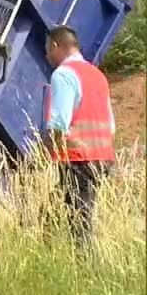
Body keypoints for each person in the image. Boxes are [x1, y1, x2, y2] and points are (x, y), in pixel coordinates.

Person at [43, 25, 116, 243]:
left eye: (47, 50)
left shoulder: (63, 74)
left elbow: (59, 124)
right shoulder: (97, 75)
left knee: (79, 225)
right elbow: (111, 126)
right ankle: (49, 256)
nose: (47, 56)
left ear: (56, 45)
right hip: (102, 158)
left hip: (78, 160)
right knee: (52, 216)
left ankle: (87, 271)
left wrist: (45, 152)